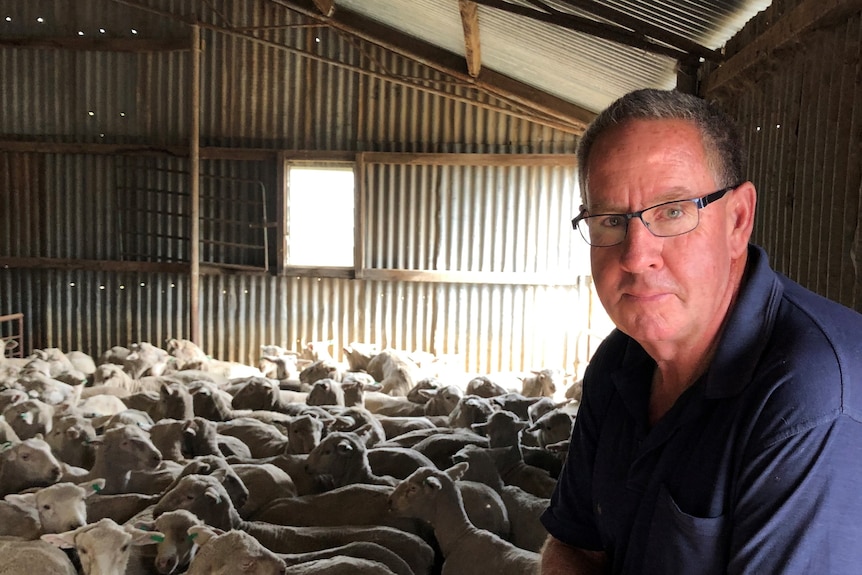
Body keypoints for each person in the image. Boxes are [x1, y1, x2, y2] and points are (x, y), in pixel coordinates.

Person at [539, 88, 862, 574]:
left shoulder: (814, 395)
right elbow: (575, 549)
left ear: (738, 220)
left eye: (672, 211)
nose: (635, 255)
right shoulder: (618, 362)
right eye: (609, 220)